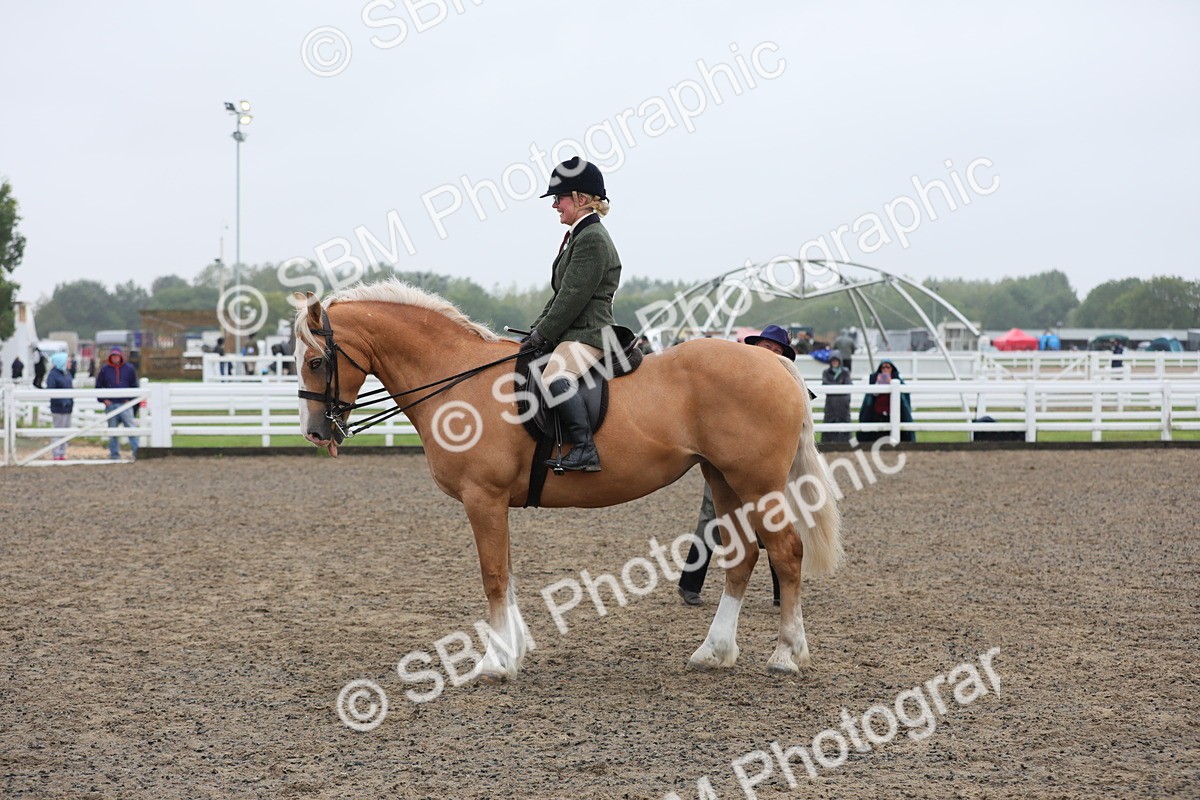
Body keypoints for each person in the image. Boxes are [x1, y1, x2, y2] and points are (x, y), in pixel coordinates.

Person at [676, 325, 790, 606]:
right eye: (768, 347)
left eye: (778, 350)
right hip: (725, 461)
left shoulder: (787, 386)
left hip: (766, 465)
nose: (772, 353)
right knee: (710, 518)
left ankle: (781, 592)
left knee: (771, 519)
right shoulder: (730, 381)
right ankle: (690, 584)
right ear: (755, 347)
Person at [524, 157, 621, 473]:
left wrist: (545, 333)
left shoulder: (592, 238)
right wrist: (536, 330)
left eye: (559, 198)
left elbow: (572, 298)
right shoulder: (578, 234)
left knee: (554, 376)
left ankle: (584, 450)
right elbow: (560, 294)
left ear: (580, 199)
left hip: (589, 332)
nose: (554, 205)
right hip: (574, 330)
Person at [95, 346, 140, 460]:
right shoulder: (105, 369)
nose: (115, 358)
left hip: (125, 404)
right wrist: (104, 400)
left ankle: (137, 452)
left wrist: (129, 399)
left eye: (117, 356)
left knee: (131, 429)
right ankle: (114, 454)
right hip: (111, 404)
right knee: (113, 431)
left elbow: (134, 385)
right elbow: (98, 386)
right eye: (113, 356)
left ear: (121, 356)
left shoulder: (129, 369)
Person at [858, 360, 915, 442]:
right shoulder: (875, 380)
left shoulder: (898, 381)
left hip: (894, 414)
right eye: (883, 367)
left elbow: (903, 399)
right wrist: (878, 383)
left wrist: (890, 382)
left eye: (888, 367)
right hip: (877, 415)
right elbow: (871, 397)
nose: (885, 369)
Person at [46, 352, 74, 461]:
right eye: (68, 361)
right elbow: (51, 391)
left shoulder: (67, 374)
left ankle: (63, 452)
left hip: (68, 407)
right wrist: (62, 401)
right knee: (58, 431)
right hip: (58, 408)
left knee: (66, 431)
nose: (70, 363)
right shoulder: (53, 375)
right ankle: (56, 453)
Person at [820, 350, 853, 443]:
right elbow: (825, 384)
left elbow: (848, 385)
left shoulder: (845, 372)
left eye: (836, 360)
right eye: (833, 360)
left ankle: (846, 444)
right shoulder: (826, 372)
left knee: (844, 423)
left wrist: (834, 387)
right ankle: (827, 444)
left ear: (840, 361)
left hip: (843, 405)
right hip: (831, 404)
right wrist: (838, 385)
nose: (834, 362)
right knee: (829, 422)